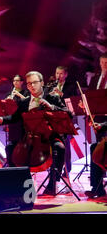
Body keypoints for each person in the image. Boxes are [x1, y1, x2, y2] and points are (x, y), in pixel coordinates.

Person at [0, 71, 70, 196]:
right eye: (29, 84)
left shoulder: (52, 98)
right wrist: (1, 119)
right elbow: (15, 117)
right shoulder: (25, 102)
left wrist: (51, 107)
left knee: (59, 147)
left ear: (42, 83)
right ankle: (21, 185)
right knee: (10, 148)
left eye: (34, 82)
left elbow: (67, 113)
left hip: (48, 137)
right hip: (29, 138)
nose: (32, 86)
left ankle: (52, 184)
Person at [83, 53, 107, 198]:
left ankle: (98, 186)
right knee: (97, 150)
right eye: (102, 62)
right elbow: (90, 99)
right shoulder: (96, 79)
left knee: (100, 150)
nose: (105, 65)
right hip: (98, 121)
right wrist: (87, 113)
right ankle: (97, 187)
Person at [48, 66, 78, 176]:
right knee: (55, 143)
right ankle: (55, 168)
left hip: (66, 118)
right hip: (54, 117)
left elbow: (74, 101)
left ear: (66, 75)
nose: (58, 76)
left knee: (66, 143)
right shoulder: (52, 85)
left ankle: (67, 168)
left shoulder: (71, 86)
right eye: (57, 73)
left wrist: (61, 94)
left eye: (61, 74)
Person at [3, 74, 29, 167]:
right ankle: (12, 166)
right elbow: (6, 109)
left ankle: (22, 166)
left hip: (22, 123)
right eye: (14, 81)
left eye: (17, 81)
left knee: (21, 146)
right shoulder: (10, 94)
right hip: (13, 123)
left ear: (22, 82)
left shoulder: (26, 92)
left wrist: (18, 94)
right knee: (10, 146)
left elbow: (27, 103)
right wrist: (7, 101)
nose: (15, 83)